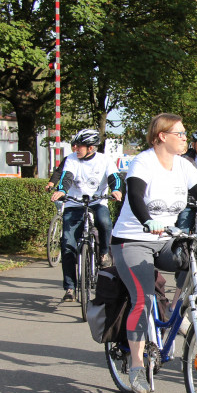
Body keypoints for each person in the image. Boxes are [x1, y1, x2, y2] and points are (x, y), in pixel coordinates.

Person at [112, 114, 197, 393]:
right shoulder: (143, 162)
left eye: (184, 135)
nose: (185, 139)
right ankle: (136, 366)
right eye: (180, 134)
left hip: (166, 239)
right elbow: (135, 195)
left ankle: (173, 308)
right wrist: (147, 220)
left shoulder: (184, 166)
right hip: (133, 240)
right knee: (142, 299)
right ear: (161, 136)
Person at [51, 129, 123, 301]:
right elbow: (66, 177)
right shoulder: (72, 159)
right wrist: (62, 190)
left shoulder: (104, 160)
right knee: (67, 244)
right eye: (75, 145)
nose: (75, 148)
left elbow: (115, 177)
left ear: (91, 148)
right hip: (74, 204)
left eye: (79, 146)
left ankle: (104, 253)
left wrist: (116, 190)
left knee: (104, 222)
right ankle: (69, 287)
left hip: (97, 202)